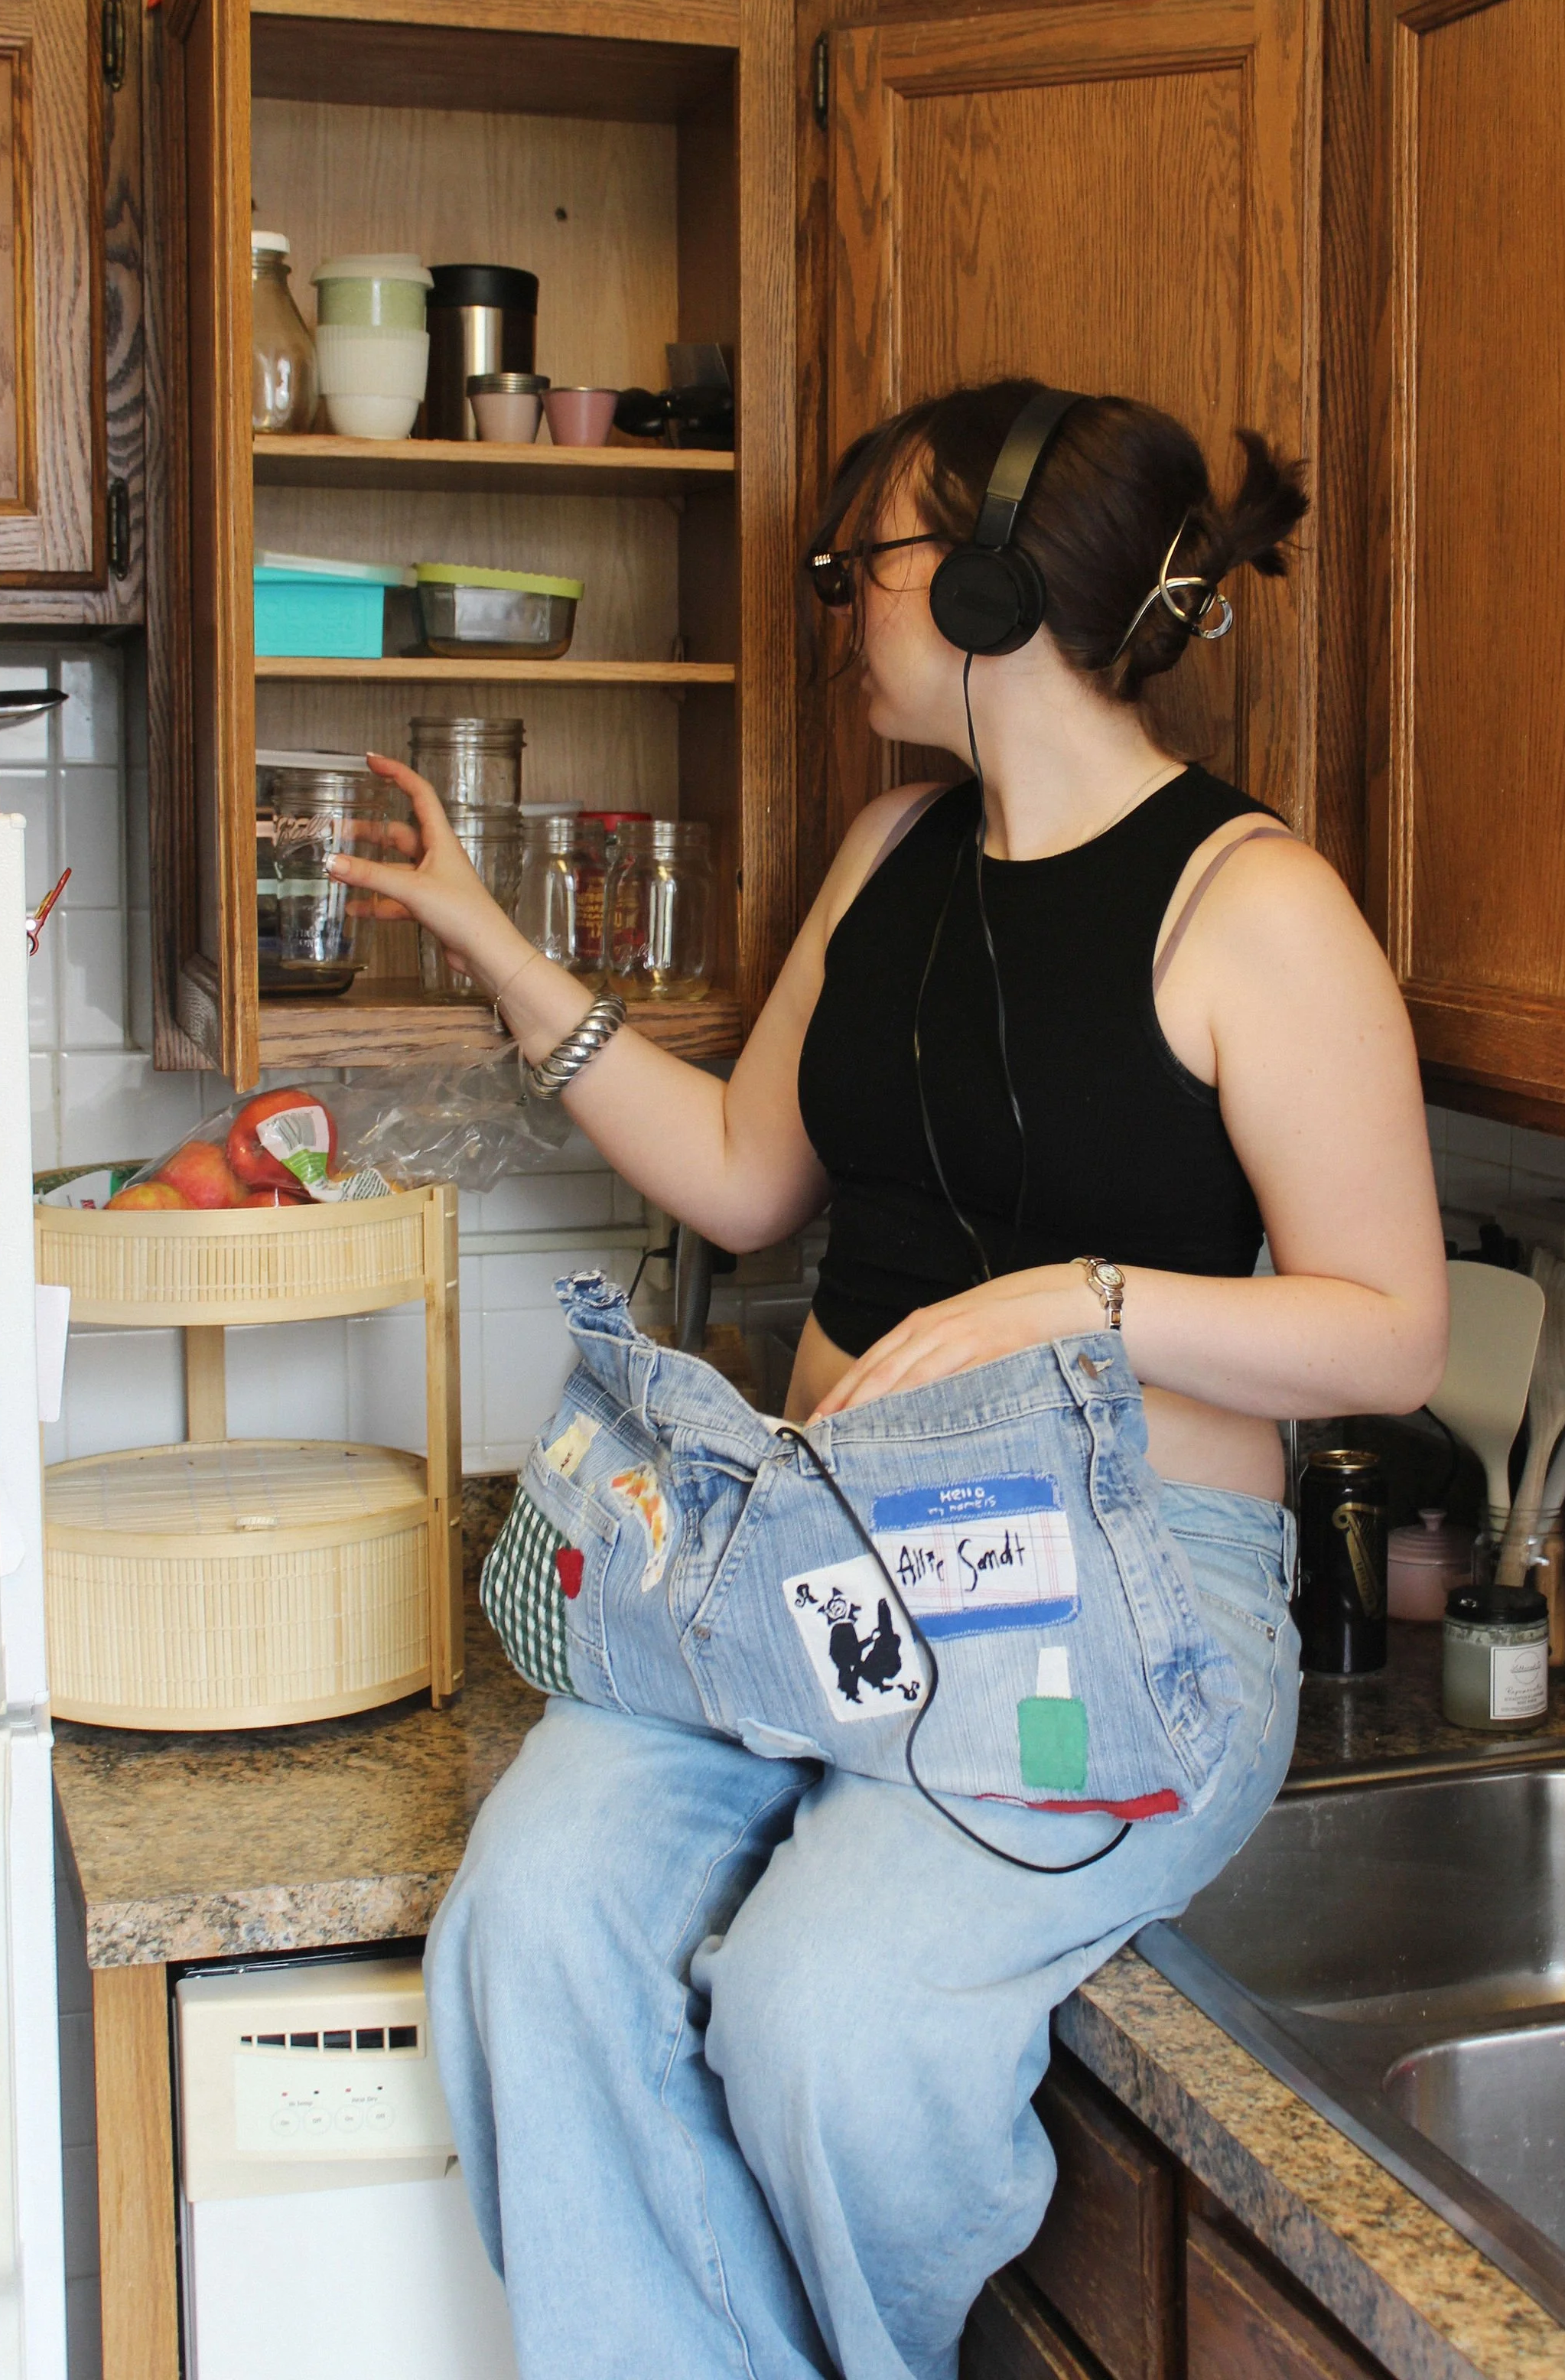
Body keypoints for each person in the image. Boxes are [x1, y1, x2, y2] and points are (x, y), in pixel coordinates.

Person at [327, 379, 1448, 2380]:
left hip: (1121, 1607)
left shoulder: (1252, 905)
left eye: (870, 566)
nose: (842, 605)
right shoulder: (892, 851)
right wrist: (499, 949)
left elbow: (1393, 1328)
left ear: (1000, 590)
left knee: (824, 2020)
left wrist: (1077, 1301)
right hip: (813, 1566)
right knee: (535, 1927)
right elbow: (753, 1181)